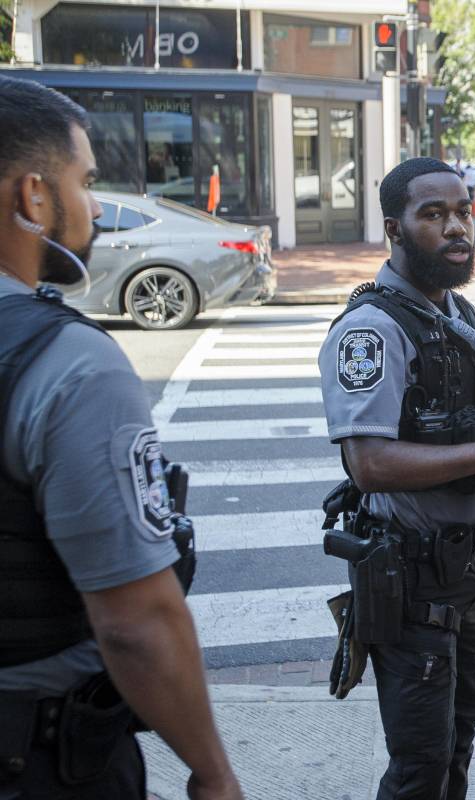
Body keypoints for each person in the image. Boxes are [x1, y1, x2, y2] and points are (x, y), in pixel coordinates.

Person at [0, 77, 242, 799]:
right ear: (34, 197)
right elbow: (136, 621)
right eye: (86, 181)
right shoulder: (66, 364)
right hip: (40, 759)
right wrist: (214, 773)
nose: (96, 207)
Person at [318, 157, 475, 800]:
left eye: (463, 211)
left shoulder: (458, 313)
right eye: (433, 215)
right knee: (420, 766)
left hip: (466, 572)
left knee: (459, 737)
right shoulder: (371, 330)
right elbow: (370, 464)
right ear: (394, 230)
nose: (457, 227)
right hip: (407, 582)